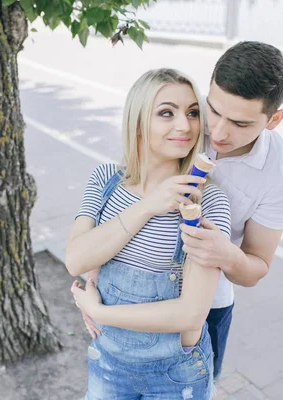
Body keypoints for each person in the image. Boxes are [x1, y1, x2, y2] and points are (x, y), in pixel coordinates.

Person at [78, 41, 283, 381]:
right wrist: (93, 278)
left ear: (274, 119)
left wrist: (227, 255)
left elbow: (256, 268)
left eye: (241, 124)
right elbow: (124, 192)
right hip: (131, 294)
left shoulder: (281, 172)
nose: (219, 132)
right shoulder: (185, 119)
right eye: (213, 110)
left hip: (202, 311)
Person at [65, 68, 231, 399]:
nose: (185, 125)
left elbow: (191, 313)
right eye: (166, 113)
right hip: (108, 363)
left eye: (193, 113)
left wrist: (100, 313)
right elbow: (76, 259)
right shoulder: (106, 179)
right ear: (138, 122)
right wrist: (148, 205)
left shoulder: (207, 202)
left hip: (177, 374)